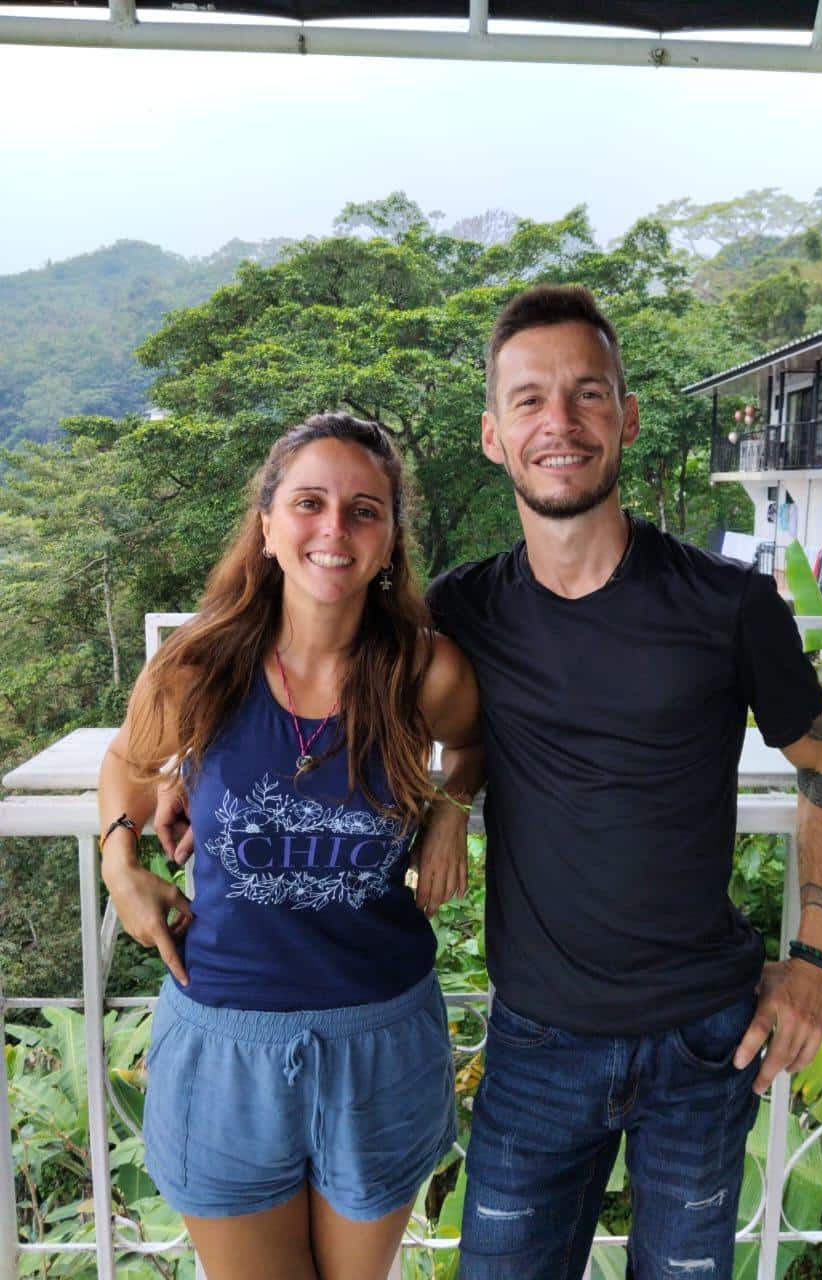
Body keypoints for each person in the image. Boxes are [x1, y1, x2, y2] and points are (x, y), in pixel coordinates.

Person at [424, 285, 822, 1279]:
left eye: (587, 393)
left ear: (626, 417)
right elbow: (350, 696)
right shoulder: (464, 609)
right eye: (529, 399)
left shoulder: (727, 603)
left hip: (703, 1042)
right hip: (536, 1042)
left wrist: (817, 956)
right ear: (494, 436)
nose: (560, 421)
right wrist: (147, 788)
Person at [98, 413, 479, 1280]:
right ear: (267, 526)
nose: (333, 529)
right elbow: (128, 759)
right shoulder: (199, 667)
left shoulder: (426, 672)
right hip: (224, 1040)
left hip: (380, 1037)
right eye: (308, 503)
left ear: (389, 542)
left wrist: (452, 805)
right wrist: (121, 859)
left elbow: (470, 741)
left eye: (363, 510)